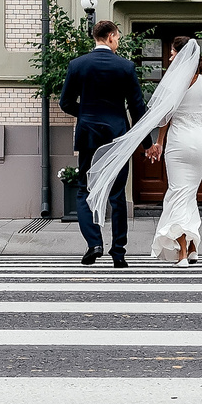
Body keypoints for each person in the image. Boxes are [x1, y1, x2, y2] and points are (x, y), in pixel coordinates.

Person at [83, 36, 202, 265]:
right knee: (188, 195)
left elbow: (165, 117)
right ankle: (193, 246)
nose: (171, 56)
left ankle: (182, 249)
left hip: (178, 143)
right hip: (200, 142)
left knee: (177, 193)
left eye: (173, 52)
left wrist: (159, 143)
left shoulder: (173, 82)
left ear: (182, 55)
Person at [59, 18, 145, 266]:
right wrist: (147, 142)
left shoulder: (77, 65)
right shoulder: (126, 67)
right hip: (118, 136)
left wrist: (86, 114)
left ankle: (94, 243)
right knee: (117, 194)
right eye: (117, 37)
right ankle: (118, 253)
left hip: (88, 135)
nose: (118, 41)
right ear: (109, 37)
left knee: (85, 190)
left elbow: (65, 103)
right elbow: (137, 106)